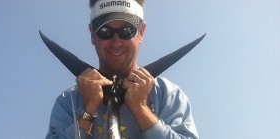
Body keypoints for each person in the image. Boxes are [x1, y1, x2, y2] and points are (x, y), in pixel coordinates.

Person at [46, 0, 199, 138]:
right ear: (93, 34)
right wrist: (88, 110)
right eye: (105, 32)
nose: (116, 42)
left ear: (141, 32)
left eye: (127, 31)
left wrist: (141, 109)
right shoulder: (68, 101)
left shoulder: (169, 94)